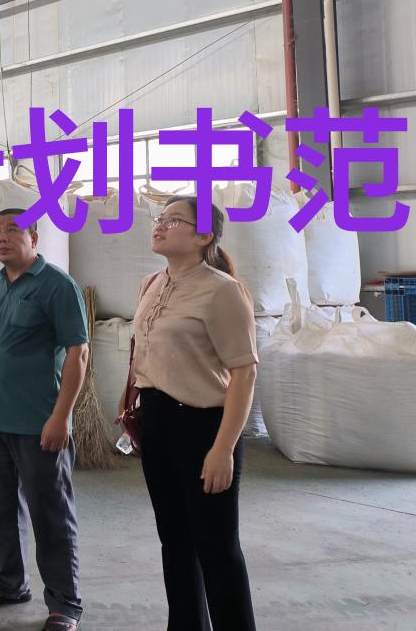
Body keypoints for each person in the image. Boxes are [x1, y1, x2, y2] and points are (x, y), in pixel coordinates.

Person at [122, 196, 258, 630]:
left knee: (217, 548)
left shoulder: (222, 290)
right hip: (158, 420)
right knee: (175, 542)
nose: (160, 225)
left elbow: (244, 372)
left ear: (204, 236)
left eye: (174, 220)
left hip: (204, 426)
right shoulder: (150, 284)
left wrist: (223, 449)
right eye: (160, 218)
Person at [0, 208, 89, 631]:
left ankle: (65, 604)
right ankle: (9, 583)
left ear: (34, 237)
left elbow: (78, 353)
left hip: (39, 423)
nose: (1, 237)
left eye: (12, 230)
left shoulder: (57, 286)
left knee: (51, 515)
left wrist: (61, 417)